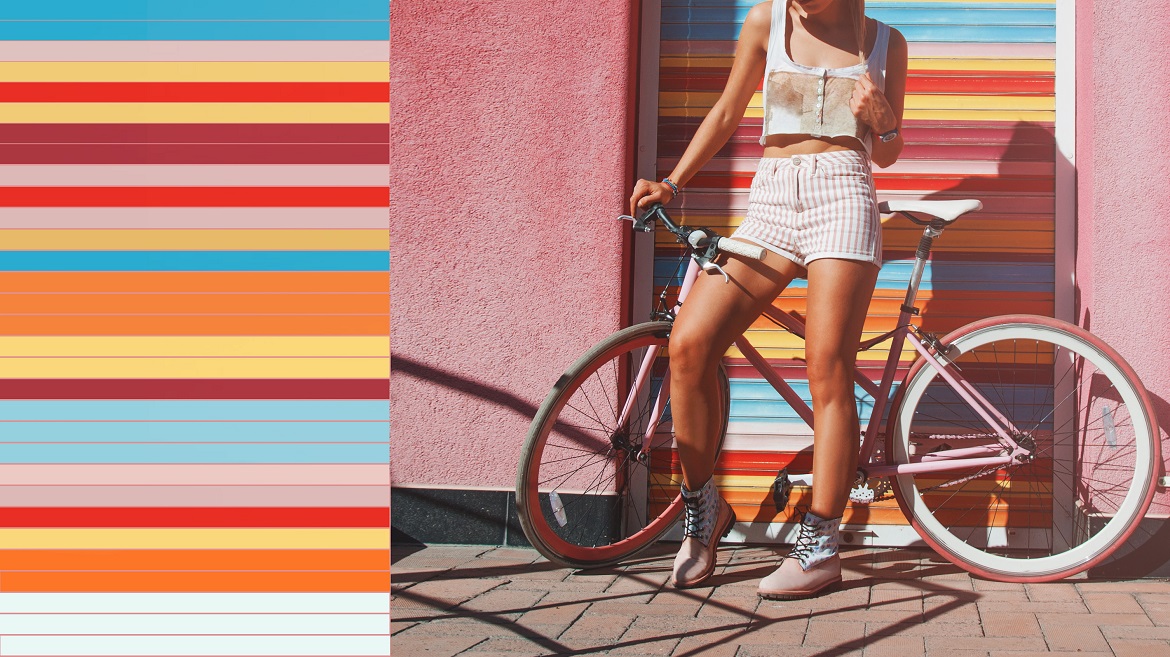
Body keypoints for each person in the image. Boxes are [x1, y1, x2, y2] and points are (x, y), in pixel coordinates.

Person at [628, 0, 907, 599]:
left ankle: (821, 547)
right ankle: (704, 510)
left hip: (843, 196)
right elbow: (728, 110)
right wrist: (672, 182)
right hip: (773, 199)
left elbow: (886, 152)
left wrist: (883, 120)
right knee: (690, 344)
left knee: (828, 369)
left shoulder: (886, 42)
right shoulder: (767, 21)